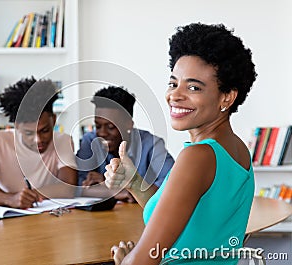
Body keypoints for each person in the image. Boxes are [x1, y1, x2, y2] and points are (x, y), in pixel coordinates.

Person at [105, 23, 257, 264]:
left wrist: (125, 260)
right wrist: (133, 182)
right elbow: (186, 217)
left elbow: (142, 261)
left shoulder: (199, 156)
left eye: (194, 87)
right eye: (173, 83)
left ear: (226, 96)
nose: (175, 95)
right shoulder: (236, 150)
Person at [0, 77, 77, 209]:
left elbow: (68, 188)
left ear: (54, 120)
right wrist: (10, 199)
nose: (38, 139)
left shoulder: (63, 140)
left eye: (44, 130)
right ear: (16, 126)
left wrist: (27, 196)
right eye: (29, 133)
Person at [76, 86, 174, 202]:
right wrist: (118, 191)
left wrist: (110, 186)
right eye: (97, 126)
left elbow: (171, 185)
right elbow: (79, 187)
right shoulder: (89, 141)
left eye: (111, 127)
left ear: (129, 124)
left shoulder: (151, 144)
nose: (102, 133)